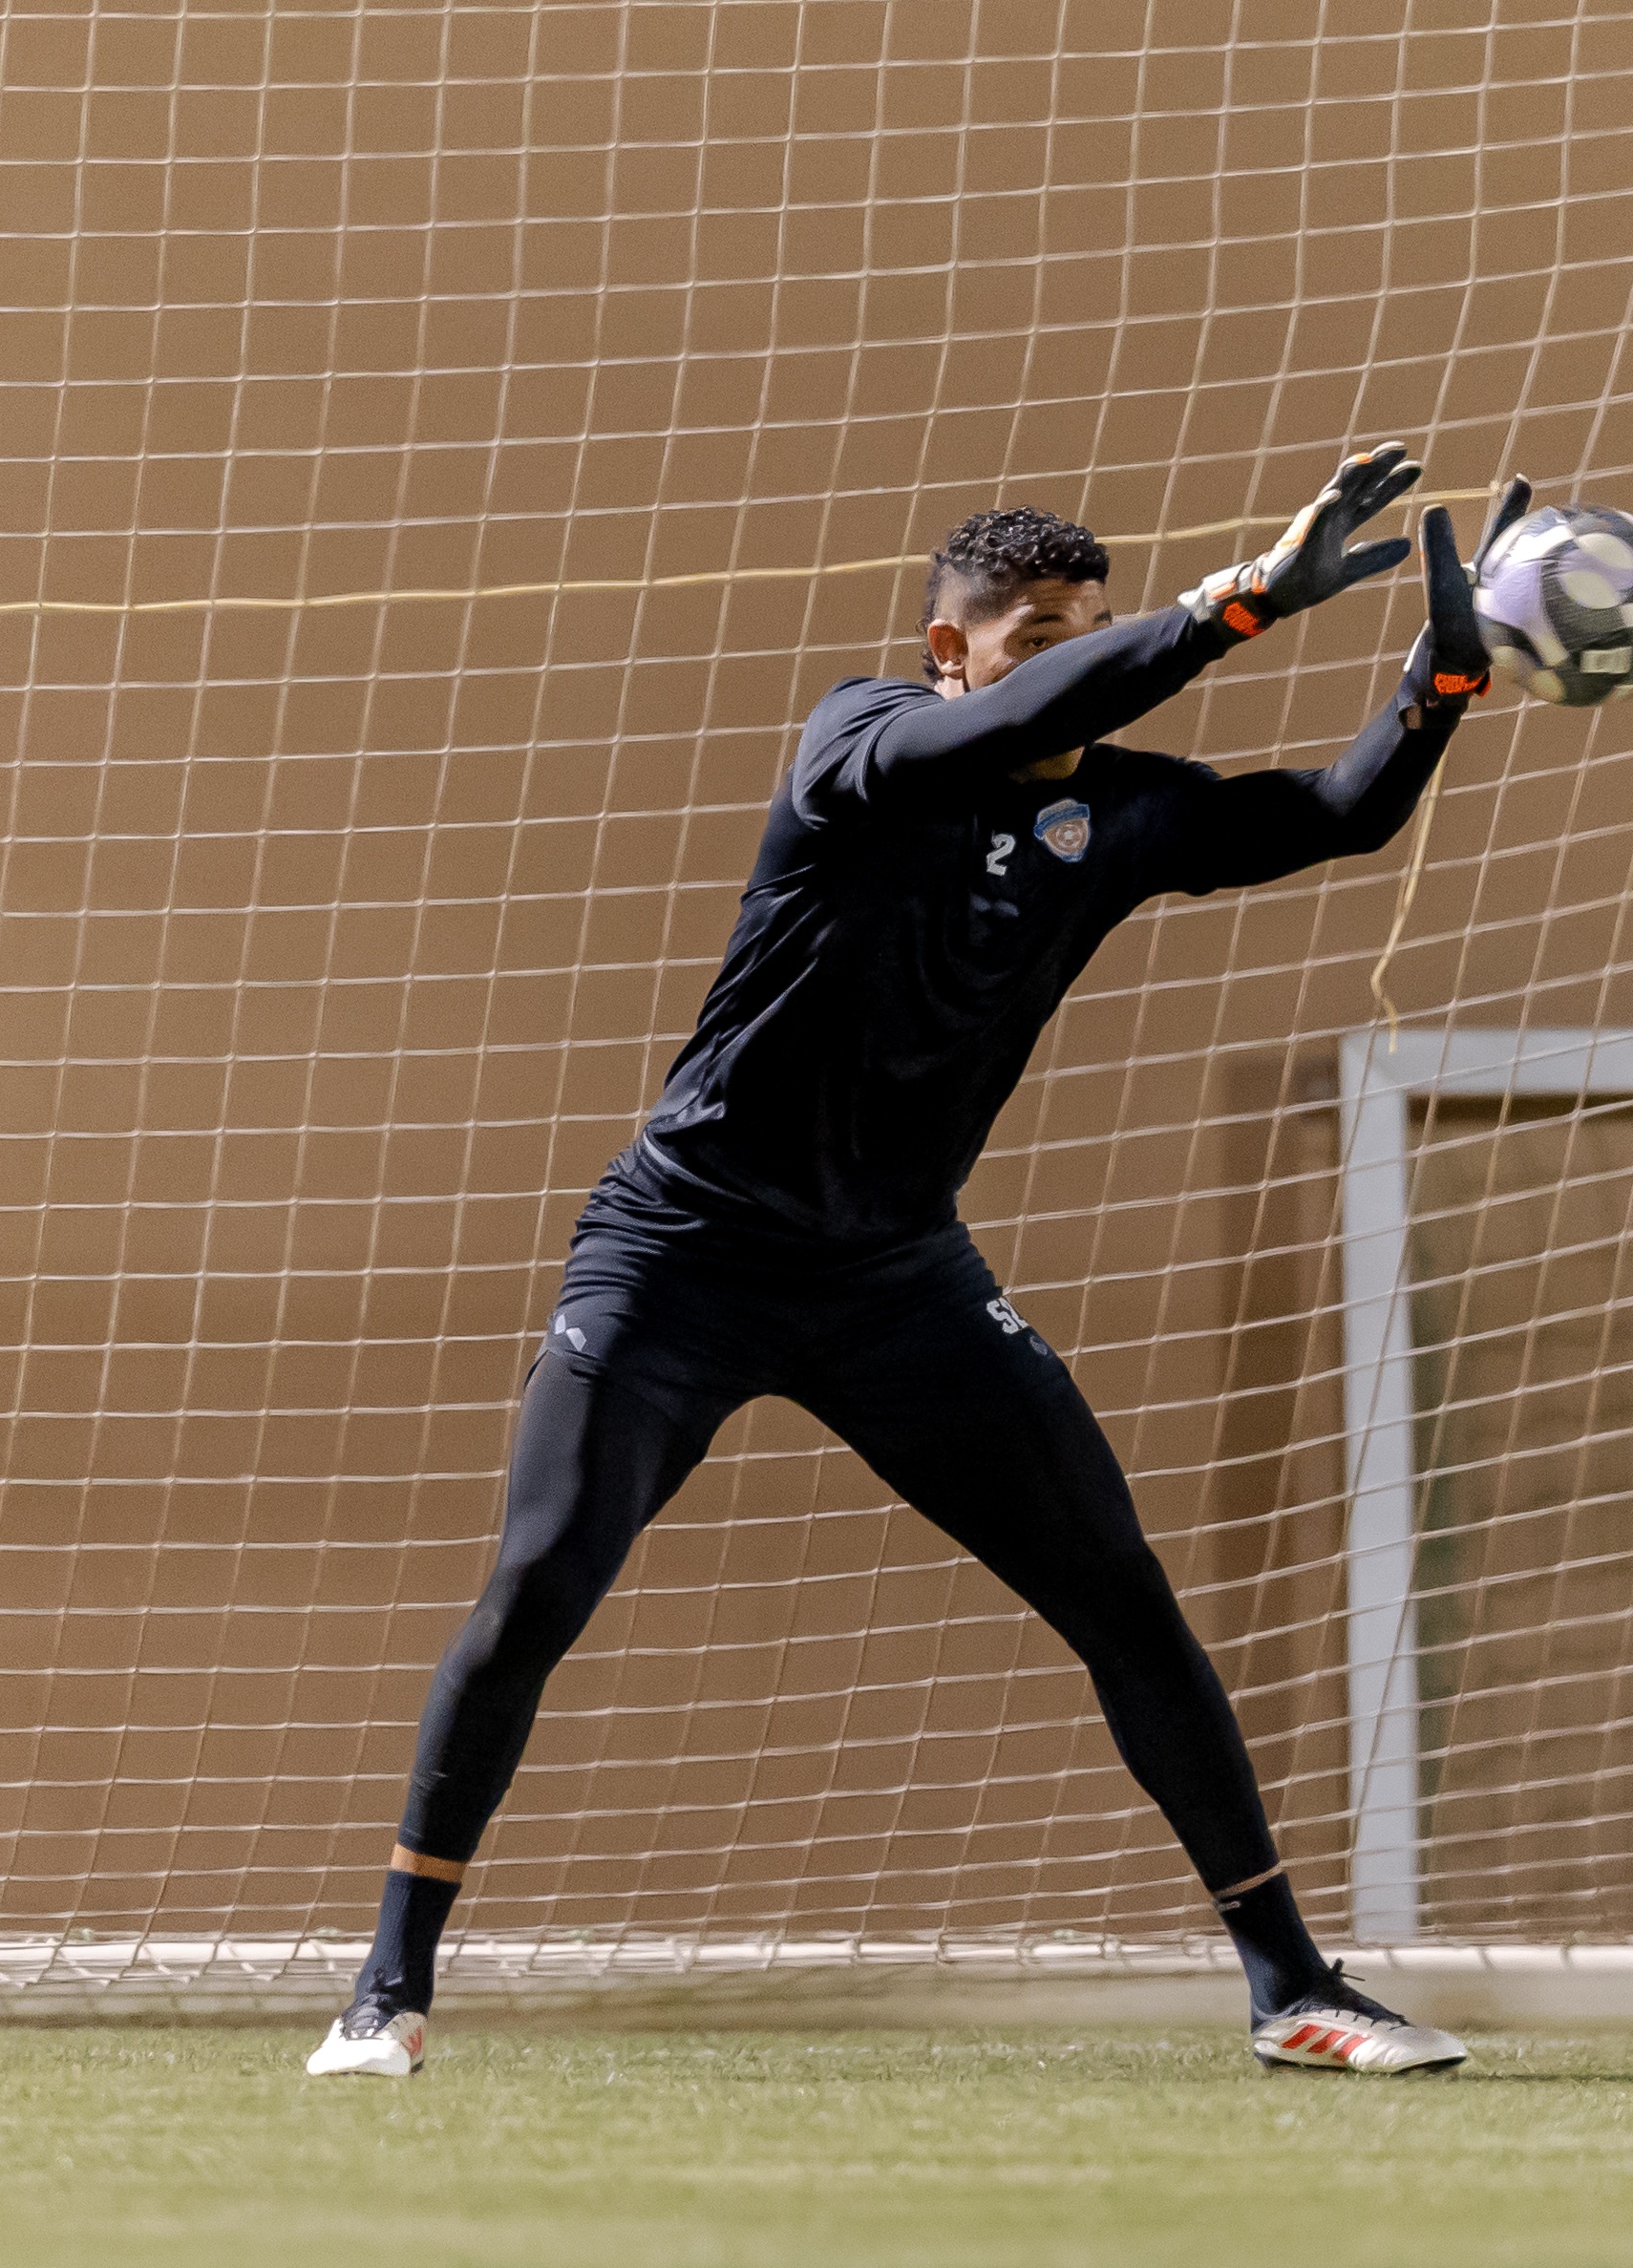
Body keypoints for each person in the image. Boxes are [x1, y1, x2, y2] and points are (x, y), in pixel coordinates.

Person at [307, 444, 1525, 2080]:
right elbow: (1003, 729)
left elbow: (1329, 817)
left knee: (1123, 1600)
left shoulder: (1118, 810)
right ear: (949, 648)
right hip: (681, 1256)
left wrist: (1439, 681)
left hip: (898, 1282)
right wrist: (1230, 603)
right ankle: (385, 1993)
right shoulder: (863, 741)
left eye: (1078, 628)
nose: (1059, 664)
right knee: (540, 1584)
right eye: (1029, 634)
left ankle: (1291, 1989)